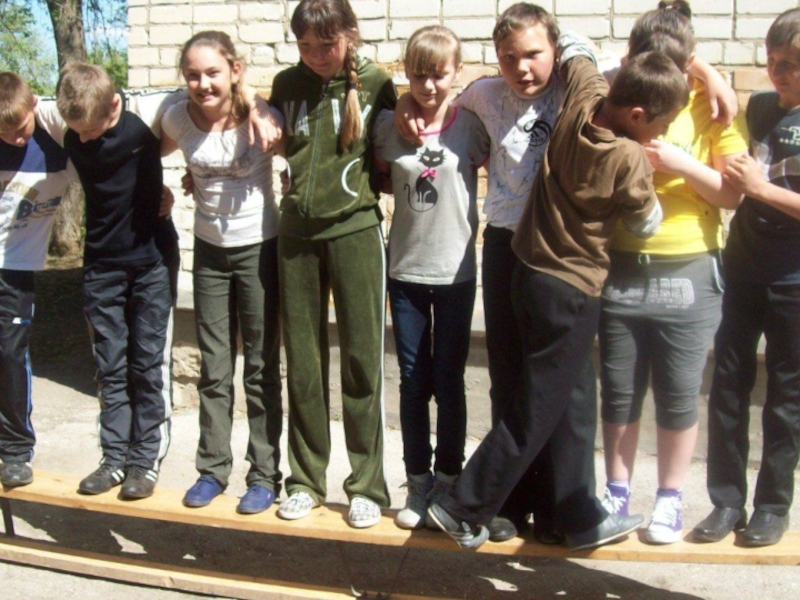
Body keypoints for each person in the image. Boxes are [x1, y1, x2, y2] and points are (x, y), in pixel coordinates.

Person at [427, 48, 690, 551]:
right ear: (638, 116)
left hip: (527, 274)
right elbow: (646, 223)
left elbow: (573, 49)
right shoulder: (630, 157)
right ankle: (461, 506)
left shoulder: (582, 99)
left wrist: (611, 62)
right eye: (663, 124)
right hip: (572, 291)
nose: (662, 133)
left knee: (568, 402)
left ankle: (575, 515)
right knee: (536, 411)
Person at [598, 0, 747, 545]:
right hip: (621, 265)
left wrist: (681, 163)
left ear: (688, 65)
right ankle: (616, 491)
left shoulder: (711, 105)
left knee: (679, 392)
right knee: (618, 389)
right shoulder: (616, 94)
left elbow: (732, 194)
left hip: (688, 268)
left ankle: (669, 497)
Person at [270, 0, 396, 529]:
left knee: (362, 363)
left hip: (356, 232)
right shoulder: (286, 84)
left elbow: (389, 155)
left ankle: (367, 486)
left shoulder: (377, 83)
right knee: (302, 362)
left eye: (327, 45)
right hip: (296, 236)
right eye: (305, 46)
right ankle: (305, 481)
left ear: (350, 35)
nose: (316, 56)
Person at [372, 26, 490, 530]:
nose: (428, 85)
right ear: (407, 73)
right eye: (418, 75)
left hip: (456, 271)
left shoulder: (472, 128)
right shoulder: (388, 126)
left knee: (449, 380)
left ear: (456, 73)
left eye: (439, 75)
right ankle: (417, 481)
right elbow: (378, 176)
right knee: (414, 380)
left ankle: (448, 480)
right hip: (405, 272)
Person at [161, 31, 284, 515]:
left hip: (259, 250)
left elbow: (298, 152)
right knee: (213, 369)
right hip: (209, 254)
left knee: (259, 369)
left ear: (234, 70)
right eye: (192, 75)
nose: (203, 84)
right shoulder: (176, 116)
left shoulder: (262, 114)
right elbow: (140, 149)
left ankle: (264, 475)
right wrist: (161, 190)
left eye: (213, 72)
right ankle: (212, 470)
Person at [693, 7, 800, 547]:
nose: (779, 72)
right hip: (742, 269)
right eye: (773, 60)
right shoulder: (759, 107)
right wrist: (711, 74)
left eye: (793, 63)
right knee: (728, 389)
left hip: (794, 280)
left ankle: (772, 507)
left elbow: (760, 187)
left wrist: (761, 189)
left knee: (786, 398)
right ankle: (726, 501)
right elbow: (683, 52)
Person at [55, 63, 179, 500]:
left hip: (151, 262)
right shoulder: (65, 119)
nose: (86, 140)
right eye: (78, 133)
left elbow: (206, 106)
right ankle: (113, 459)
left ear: (114, 104)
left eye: (93, 130)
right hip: (101, 265)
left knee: (147, 366)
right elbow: (20, 108)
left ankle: (143, 462)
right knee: (110, 367)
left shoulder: (149, 112)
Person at [0, 72, 76, 488]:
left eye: (21, 128)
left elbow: (109, 177)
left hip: (15, 269)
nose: (15, 139)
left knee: (10, 355)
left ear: (35, 107)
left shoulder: (59, 146)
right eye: (4, 133)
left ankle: (15, 451)